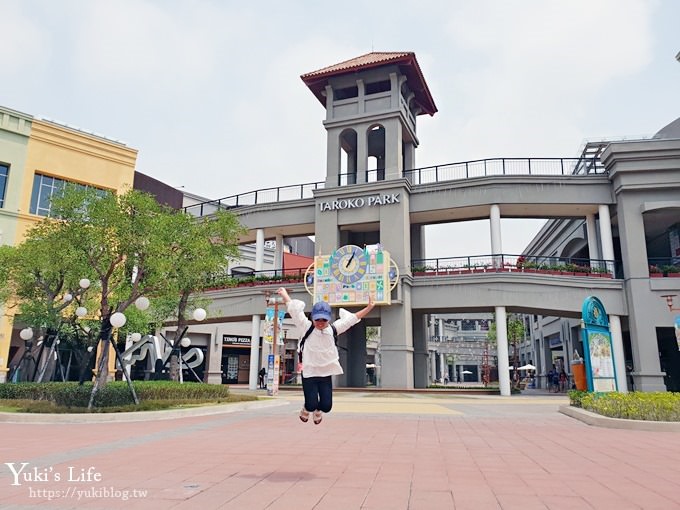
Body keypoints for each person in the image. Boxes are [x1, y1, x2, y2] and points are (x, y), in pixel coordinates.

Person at [277, 287, 374, 425]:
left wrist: (369, 307)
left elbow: (353, 319)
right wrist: (285, 294)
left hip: (325, 374)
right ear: (312, 318)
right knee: (311, 404)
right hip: (309, 373)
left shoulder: (333, 329)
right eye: (318, 319)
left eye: (324, 319)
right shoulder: (306, 327)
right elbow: (294, 311)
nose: (321, 322)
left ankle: (318, 411)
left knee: (327, 407)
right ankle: (307, 408)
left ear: (328, 319)